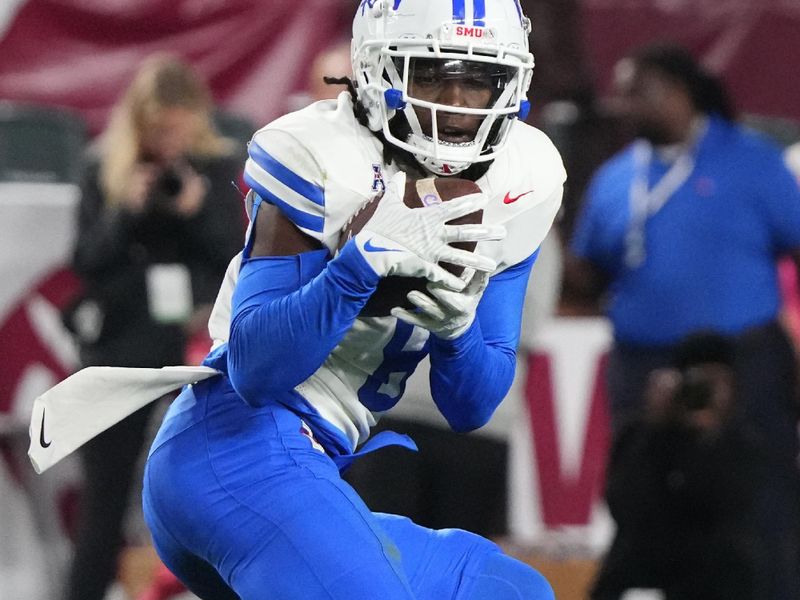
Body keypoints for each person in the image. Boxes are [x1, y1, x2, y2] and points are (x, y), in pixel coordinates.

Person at [141, 1, 565, 598]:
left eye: (480, 78)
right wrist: (355, 270)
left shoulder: (525, 173)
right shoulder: (321, 153)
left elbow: (472, 406)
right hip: (231, 450)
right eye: (432, 72)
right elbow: (256, 371)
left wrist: (457, 330)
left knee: (509, 590)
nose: (458, 102)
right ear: (376, 70)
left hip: (313, 462)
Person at [565, 43, 800, 599]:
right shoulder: (616, 176)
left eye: (637, 90)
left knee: (761, 501)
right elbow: (589, 274)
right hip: (642, 367)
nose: (623, 104)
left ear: (680, 91)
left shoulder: (751, 160)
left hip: (741, 365)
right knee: (639, 497)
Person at [62, 53, 245, 600]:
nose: (167, 140)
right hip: (119, 347)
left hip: (191, 351)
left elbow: (234, 258)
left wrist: (197, 210)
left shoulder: (215, 170)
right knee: (104, 499)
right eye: (157, 128)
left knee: (211, 494)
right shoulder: (106, 168)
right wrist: (126, 210)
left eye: (177, 128)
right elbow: (86, 262)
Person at [591, 331, 770, 600]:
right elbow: (624, 507)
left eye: (716, 381)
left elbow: (727, 507)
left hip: (714, 579)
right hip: (642, 571)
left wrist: (705, 440)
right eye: (698, 380)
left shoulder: (744, 445)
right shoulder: (641, 435)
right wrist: (656, 429)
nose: (707, 392)